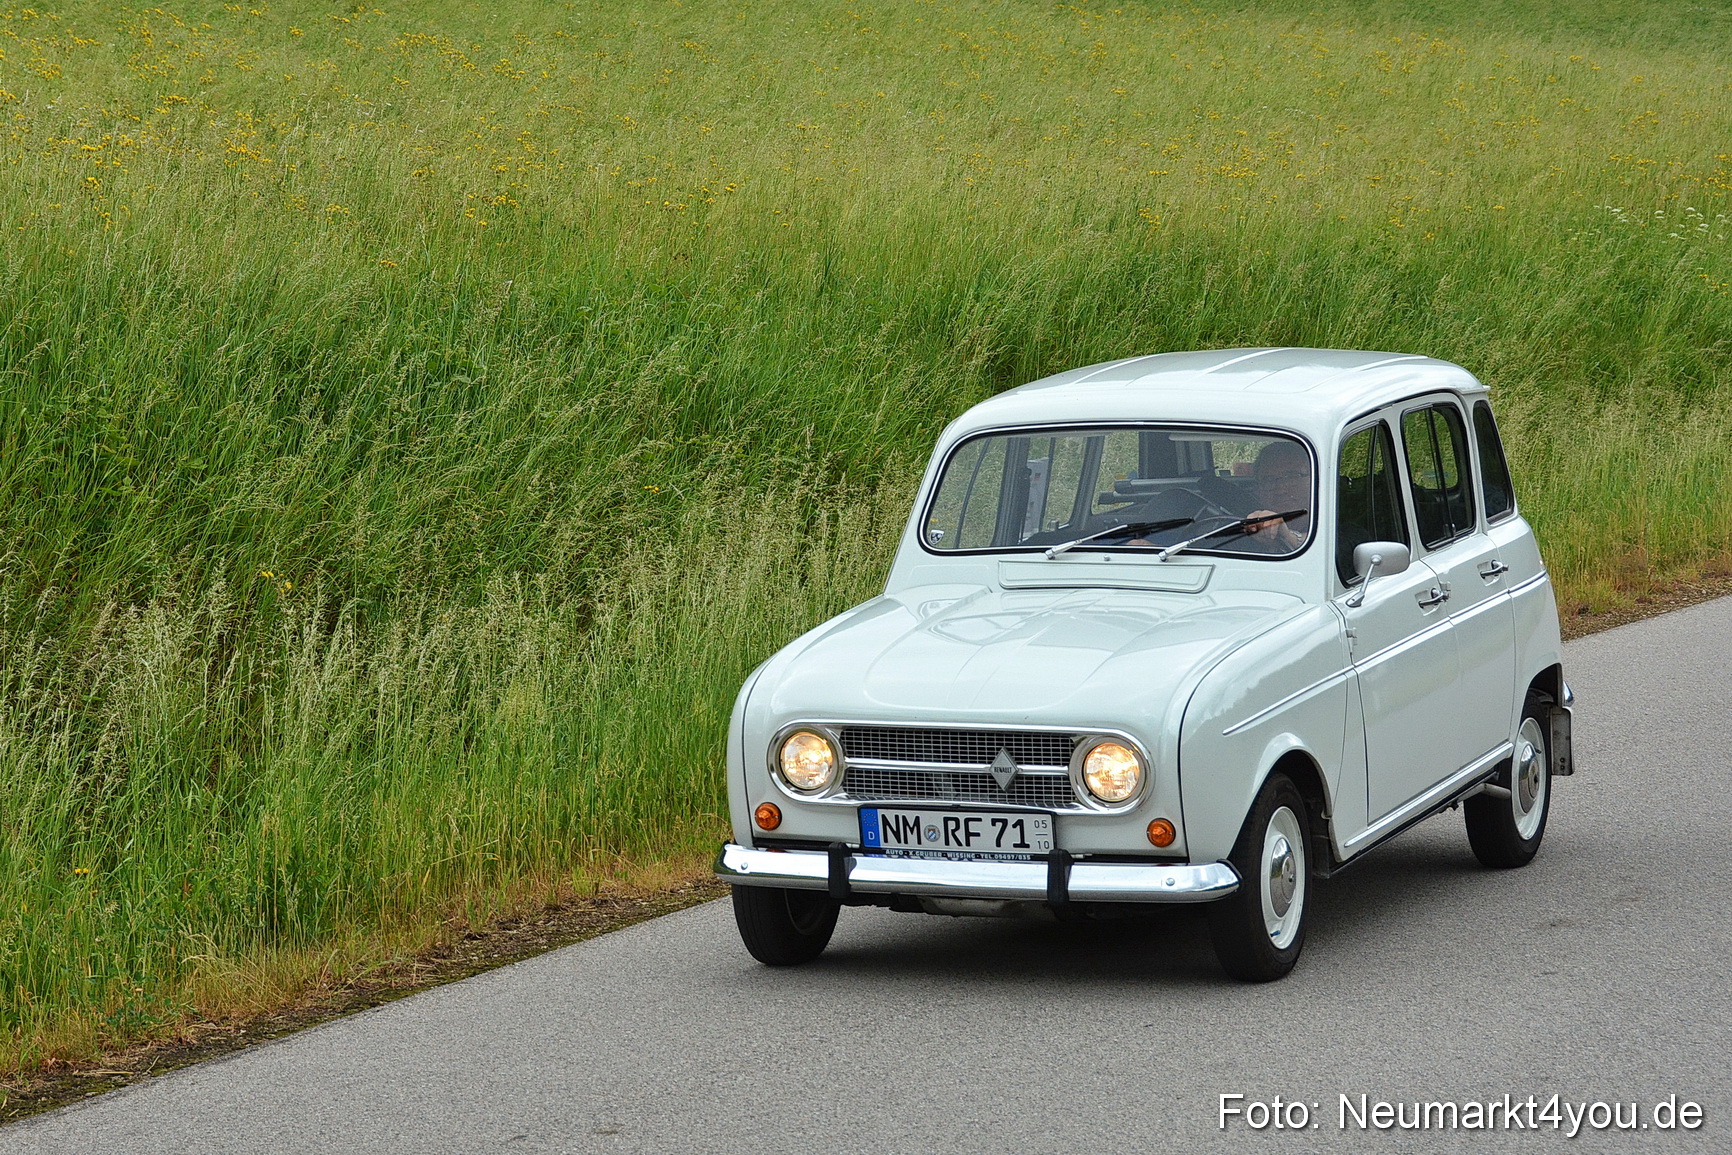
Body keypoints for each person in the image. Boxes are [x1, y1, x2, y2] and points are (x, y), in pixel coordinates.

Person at [1241, 440, 1312, 553]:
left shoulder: (1334, 522)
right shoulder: (1246, 531)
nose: (1280, 489)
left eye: (1292, 477)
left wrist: (1288, 537)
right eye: (1269, 480)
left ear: (1314, 480)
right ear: (1258, 490)